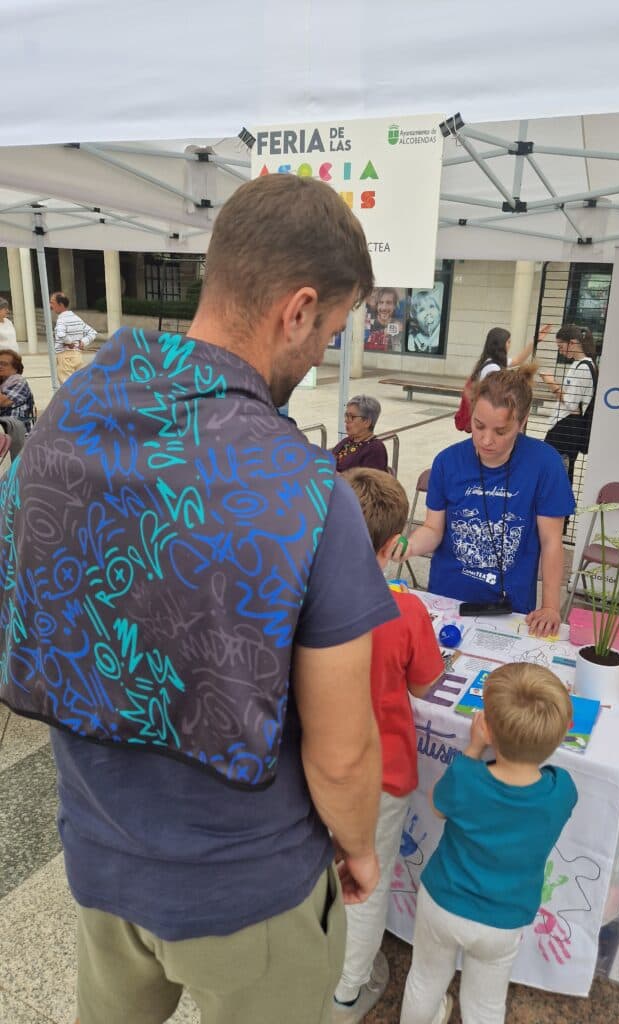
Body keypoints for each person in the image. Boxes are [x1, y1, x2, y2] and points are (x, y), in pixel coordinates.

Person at [0, 174, 400, 1024]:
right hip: (249, 889)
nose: (322, 354)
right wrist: (361, 846)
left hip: (99, 865)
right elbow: (340, 750)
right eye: (329, 332)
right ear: (296, 309)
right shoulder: (303, 489)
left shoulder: (63, 423)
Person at [399, 663, 577, 1024]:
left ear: (488, 729)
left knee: (425, 980)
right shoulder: (562, 790)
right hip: (504, 918)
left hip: (443, 902)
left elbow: (437, 805)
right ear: (561, 736)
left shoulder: (467, 776)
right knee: (486, 1004)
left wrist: (473, 747)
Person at [333, 468, 444, 1023]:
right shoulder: (407, 611)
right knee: (366, 884)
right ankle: (347, 991)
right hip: (383, 773)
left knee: (322, 875)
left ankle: (320, 969)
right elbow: (425, 684)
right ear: (392, 544)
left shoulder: (302, 598)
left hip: (319, 767)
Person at [396, 365, 575, 637]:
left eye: (501, 431)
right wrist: (406, 546)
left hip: (509, 608)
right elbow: (433, 530)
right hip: (448, 600)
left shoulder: (545, 464)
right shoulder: (447, 462)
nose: (486, 439)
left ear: (523, 420)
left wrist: (550, 606)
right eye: (478, 426)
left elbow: (551, 542)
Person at [540, 325, 598, 482]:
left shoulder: (584, 368)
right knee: (555, 471)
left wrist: (551, 383)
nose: (560, 351)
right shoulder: (581, 365)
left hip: (567, 428)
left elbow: (571, 403)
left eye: (560, 346)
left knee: (556, 473)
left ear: (572, 343)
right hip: (566, 426)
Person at [455, 328, 535, 431]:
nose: (510, 345)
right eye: (509, 342)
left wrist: (534, 341)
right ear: (501, 344)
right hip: (490, 415)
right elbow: (497, 393)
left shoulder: (492, 362)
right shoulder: (492, 367)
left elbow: (518, 360)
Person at [49, 291, 97, 384]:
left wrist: (69, 342)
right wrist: (83, 342)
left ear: (61, 304)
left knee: (67, 387)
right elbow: (92, 332)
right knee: (79, 385)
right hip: (77, 356)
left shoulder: (61, 320)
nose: (51, 306)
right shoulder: (77, 318)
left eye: (52, 303)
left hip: (64, 357)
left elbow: (61, 334)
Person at [333, 394, 389, 472]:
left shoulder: (375, 449)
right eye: (346, 416)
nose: (346, 420)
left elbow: (368, 482)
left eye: (351, 417)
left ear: (366, 422)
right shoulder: (347, 441)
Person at [0, 349, 35, 433]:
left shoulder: (18, 380)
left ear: (15, 368)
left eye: (4, 364)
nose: (0, 366)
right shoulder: (3, 382)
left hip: (15, 436)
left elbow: (4, 402)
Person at [366, 287, 403, 353]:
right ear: (377, 305)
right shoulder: (367, 323)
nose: (384, 308)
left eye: (388, 303)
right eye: (381, 302)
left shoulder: (399, 325)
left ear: (394, 306)